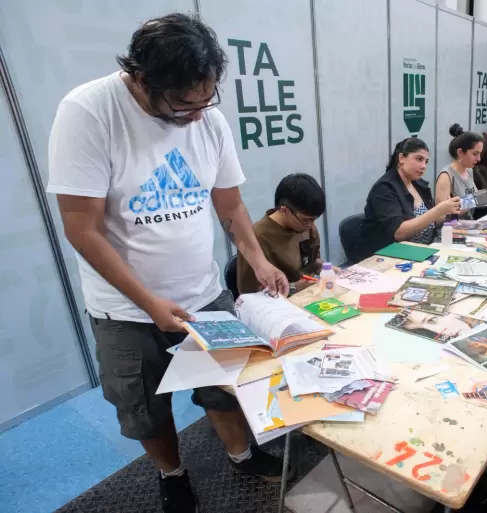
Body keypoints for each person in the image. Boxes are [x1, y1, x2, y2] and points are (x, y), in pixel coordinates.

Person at [46, 13, 289, 513]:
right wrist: (149, 301)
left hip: (203, 295)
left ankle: (241, 456)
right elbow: (81, 228)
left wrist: (257, 259)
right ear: (141, 79)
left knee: (224, 389)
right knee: (146, 411)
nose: (198, 114)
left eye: (207, 99)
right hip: (127, 310)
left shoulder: (209, 120)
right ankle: (173, 475)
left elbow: (230, 204)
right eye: (184, 103)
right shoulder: (89, 113)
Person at [355, 138, 461, 260]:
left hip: (424, 251)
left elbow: (430, 222)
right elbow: (399, 232)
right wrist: (438, 210)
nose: (423, 166)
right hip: (391, 257)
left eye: (426, 161)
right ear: (401, 158)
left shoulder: (418, 184)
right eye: (418, 159)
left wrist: (448, 213)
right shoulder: (384, 189)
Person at [237, 173, 324, 296]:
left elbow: (313, 262)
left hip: (310, 295)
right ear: (284, 211)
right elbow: (250, 294)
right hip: (279, 306)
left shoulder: (305, 226)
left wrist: (324, 269)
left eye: (314, 219)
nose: (310, 225)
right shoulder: (256, 238)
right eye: (306, 220)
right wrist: (294, 288)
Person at [436, 124, 483, 220]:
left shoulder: (469, 170)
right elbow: (441, 217)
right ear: (460, 152)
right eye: (475, 154)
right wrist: (474, 201)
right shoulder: (446, 177)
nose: (479, 159)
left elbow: (478, 198)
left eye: (479, 154)